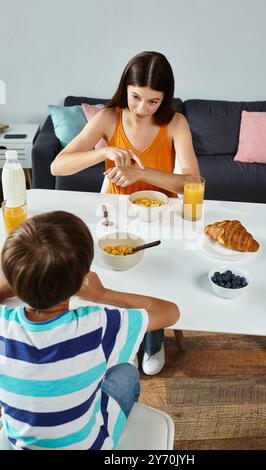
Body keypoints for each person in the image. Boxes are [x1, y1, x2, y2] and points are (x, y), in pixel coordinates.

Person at [51, 51, 200, 375]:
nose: (142, 109)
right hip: (116, 214)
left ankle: (152, 339)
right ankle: (125, 339)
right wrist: (102, 151)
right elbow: (57, 164)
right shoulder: (108, 117)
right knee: (114, 276)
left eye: (153, 101)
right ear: (125, 89)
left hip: (160, 215)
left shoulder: (176, 123)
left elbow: (192, 181)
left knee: (156, 276)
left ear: (165, 98)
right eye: (136, 97)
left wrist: (142, 174)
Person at [0, 211, 179, 450]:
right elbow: (170, 312)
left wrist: (32, 275)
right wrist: (102, 294)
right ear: (81, 280)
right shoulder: (98, 325)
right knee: (126, 371)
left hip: (20, 446)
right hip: (90, 445)